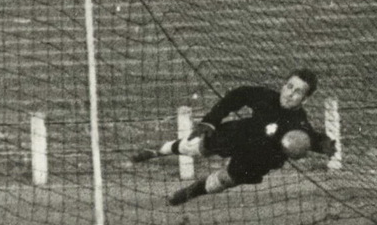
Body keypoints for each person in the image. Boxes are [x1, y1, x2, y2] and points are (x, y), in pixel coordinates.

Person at [130, 70, 337, 206]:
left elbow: (311, 138)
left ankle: (191, 192)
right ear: (283, 85)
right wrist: (211, 120)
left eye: (298, 92)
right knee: (194, 146)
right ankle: (158, 151)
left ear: (305, 99)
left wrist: (324, 144)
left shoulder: (299, 122)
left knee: (224, 180)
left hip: (258, 159)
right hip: (239, 135)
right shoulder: (266, 97)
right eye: (289, 86)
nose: (290, 94)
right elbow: (239, 95)